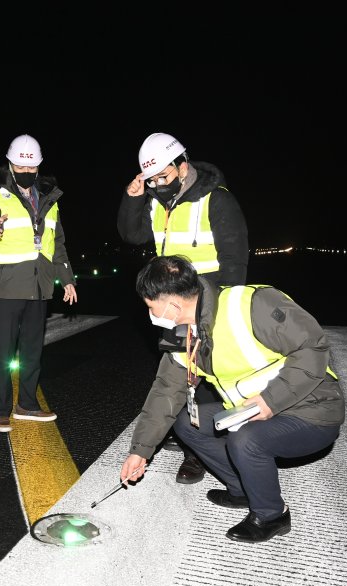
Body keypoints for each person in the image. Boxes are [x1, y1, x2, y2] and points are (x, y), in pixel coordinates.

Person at [120, 255, 344, 542]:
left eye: (151, 307)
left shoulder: (251, 305)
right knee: (187, 421)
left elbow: (313, 347)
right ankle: (243, 489)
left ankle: (272, 514)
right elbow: (166, 392)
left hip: (312, 409)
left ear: (173, 305)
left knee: (247, 440)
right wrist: (140, 450)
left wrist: (271, 400)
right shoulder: (181, 334)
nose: (150, 314)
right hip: (249, 409)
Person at [117, 132, 249, 484]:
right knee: (182, 378)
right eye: (152, 180)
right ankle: (192, 444)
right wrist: (133, 198)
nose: (158, 185)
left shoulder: (216, 201)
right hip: (172, 305)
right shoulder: (158, 204)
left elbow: (235, 259)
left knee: (210, 378)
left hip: (211, 304)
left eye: (163, 177)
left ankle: (204, 452)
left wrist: (224, 312)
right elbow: (131, 235)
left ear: (183, 167)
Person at [0, 134, 77, 433]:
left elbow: (58, 244)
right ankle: (0, 409)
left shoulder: (50, 200)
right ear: (10, 164)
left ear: (39, 168)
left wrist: (66, 279)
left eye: (31, 168)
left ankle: (27, 404)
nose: (26, 172)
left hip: (41, 285)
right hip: (8, 285)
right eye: (20, 166)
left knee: (33, 349)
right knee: (4, 351)